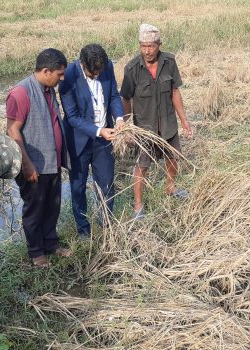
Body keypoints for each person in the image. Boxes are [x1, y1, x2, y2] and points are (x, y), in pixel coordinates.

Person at [6, 48, 72, 268]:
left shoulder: (48, 89)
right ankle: (36, 252)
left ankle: (50, 244)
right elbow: (13, 130)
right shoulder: (21, 93)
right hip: (34, 164)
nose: (62, 78)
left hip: (51, 161)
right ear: (46, 71)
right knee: (34, 209)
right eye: (59, 74)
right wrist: (26, 163)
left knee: (52, 205)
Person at [120, 24, 193, 219]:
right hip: (145, 128)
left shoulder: (169, 62)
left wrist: (184, 121)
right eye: (143, 46)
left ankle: (170, 188)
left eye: (151, 46)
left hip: (168, 124)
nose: (147, 51)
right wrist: (127, 128)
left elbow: (174, 92)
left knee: (172, 158)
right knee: (142, 166)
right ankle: (138, 207)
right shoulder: (132, 68)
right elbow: (125, 99)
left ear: (159, 45)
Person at [59, 44, 124, 239]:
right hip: (78, 140)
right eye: (91, 73)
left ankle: (106, 224)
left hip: (104, 139)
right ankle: (83, 229)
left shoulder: (107, 66)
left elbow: (113, 95)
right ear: (82, 64)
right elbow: (72, 116)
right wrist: (98, 131)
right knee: (78, 187)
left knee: (106, 184)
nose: (96, 75)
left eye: (99, 72)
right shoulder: (68, 75)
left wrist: (119, 118)